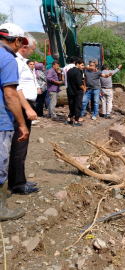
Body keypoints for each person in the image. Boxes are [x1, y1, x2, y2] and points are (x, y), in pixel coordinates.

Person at [0, 22, 30, 220]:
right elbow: (10, 95)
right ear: (17, 40)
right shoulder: (8, 59)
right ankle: (1, 210)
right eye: (21, 44)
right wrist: (21, 123)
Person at [8, 31, 40, 194]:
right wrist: (27, 108)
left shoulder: (22, 62)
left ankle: (19, 178)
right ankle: (17, 184)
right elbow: (16, 87)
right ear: (25, 47)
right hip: (21, 105)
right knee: (19, 144)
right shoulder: (17, 62)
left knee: (22, 145)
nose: (32, 53)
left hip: (25, 104)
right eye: (33, 50)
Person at [67, 58, 86, 127]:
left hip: (70, 91)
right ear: (77, 64)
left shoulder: (69, 71)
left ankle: (69, 119)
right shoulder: (78, 72)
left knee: (71, 105)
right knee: (78, 106)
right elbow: (79, 83)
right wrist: (83, 88)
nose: (82, 67)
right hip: (77, 91)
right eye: (82, 65)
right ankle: (76, 121)